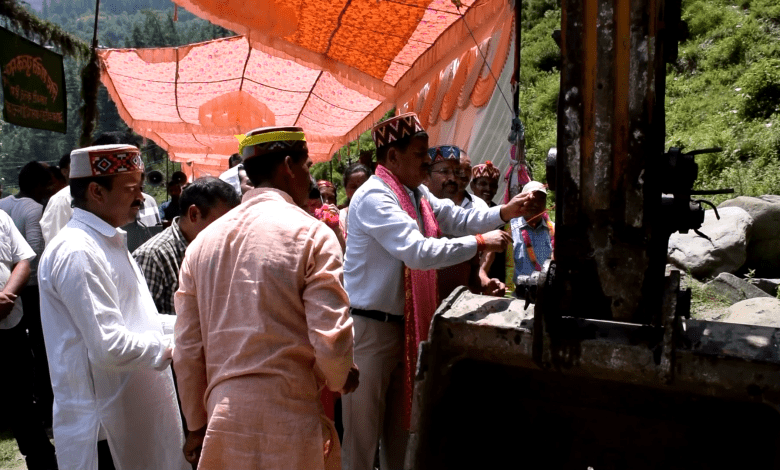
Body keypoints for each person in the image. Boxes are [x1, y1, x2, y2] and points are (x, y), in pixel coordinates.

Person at [341, 113, 532, 470]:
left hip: (405, 327)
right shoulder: (374, 197)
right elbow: (419, 252)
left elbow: (455, 218)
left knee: (400, 435)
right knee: (361, 441)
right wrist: (478, 242)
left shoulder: (416, 193)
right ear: (392, 158)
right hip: (370, 332)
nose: (427, 161)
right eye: (419, 154)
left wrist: (504, 212)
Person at [174, 126, 359, 470]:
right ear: (289, 166)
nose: (309, 176)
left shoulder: (201, 244)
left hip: (222, 421)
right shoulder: (313, 234)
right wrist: (341, 375)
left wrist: (197, 426)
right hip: (290, 420)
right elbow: (330, 338)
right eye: (307, 166)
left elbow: (186, 349)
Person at [38, 144, 189, 470]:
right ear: (96, 191)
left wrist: (193, 326)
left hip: (136, 414)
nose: (140, 197)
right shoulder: (78, 250)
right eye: (131, 188)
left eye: (140, 187)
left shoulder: (107, 240)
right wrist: (178, 345)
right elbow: (109, 346)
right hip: (106, 432)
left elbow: (142, 320)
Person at [0, 161, 57, 428]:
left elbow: (21, 253)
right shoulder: (34, 208)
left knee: (23, 363)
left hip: (13, 298)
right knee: (40, 352)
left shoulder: (4, 206)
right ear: (37, 184)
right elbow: (35, 248)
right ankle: (44, 406)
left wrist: (8, 291)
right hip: (31, 292)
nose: (51, 188)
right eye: (47, 182)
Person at [0, 209, 59, 470]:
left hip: (10, 323)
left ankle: (42, 462)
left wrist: (8, 296)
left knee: (22, 399)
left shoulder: (1, 217)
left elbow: (22, 259)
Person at [133, 177, 240, 315]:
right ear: (194, 214)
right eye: (224, 223)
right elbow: (144, 324)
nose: (230, 230)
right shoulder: (153, 257)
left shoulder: (223, 250)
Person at [426, 147, 505, 300]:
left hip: (461, 303)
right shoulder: (417, 206)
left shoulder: (478, 207)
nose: (456, 177)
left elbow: (475, 266)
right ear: (425, 176)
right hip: (425, 302)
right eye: (445, 171)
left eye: (459, 171)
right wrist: (479, 242)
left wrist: (487, 283)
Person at [510, 181, 554, 290]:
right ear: (522, 200)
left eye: (541, 199)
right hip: (516, 298)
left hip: (546, 297)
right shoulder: (509, 229)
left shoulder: (554, 231)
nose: (536, 203)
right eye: (531, 198)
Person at [471, 160, 507, 285]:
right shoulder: (461, 211)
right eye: (483, 184)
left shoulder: (501, 215)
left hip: (493, 278)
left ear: (497, 189)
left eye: (492, 185)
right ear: (472, 186)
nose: (488, 189)